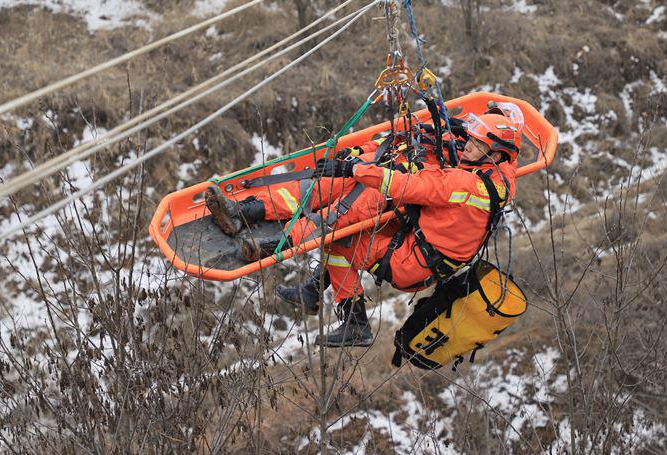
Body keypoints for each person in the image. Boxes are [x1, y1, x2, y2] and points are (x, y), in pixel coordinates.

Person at [205, 105, 523, 347]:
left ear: (494, 152)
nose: (468, 143)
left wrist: (353, 170)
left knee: (340, 237)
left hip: (414, 260)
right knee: (323, 190)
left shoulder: (464, 182)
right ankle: (248, 215)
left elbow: (408, 185)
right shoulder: (498, 172)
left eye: (478, 142)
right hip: (421, 238)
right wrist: (357, 158)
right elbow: (409, 157)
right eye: (471, 136)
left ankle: (352, 319)